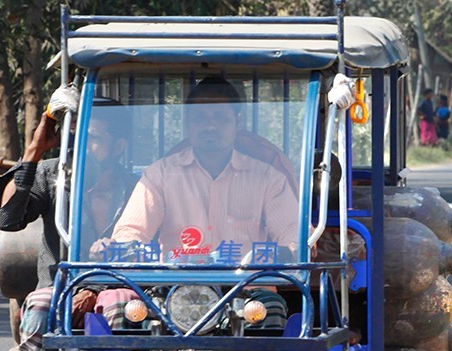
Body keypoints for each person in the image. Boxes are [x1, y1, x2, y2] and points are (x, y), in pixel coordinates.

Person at [0, 87, 138, 351]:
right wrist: (34, 150)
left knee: (127, 316)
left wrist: (98, 286)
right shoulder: (51, 175)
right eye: (79, 138)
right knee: (38, 312)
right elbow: (7, 219)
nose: (83, 148)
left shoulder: (139, 185)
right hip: (60, 287)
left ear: (119, 146)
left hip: (122, 287)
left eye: (96, 140)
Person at [94, 76, 299, 264]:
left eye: (220, 117)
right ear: (187, 123)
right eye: (200, 118)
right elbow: (132, 231)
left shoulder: (267, 178)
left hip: (249, 290)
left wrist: (292, 247)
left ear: (237, 122)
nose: (210, 126)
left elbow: (292, 232)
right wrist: (120, 246)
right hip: (175, 292)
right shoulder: (160, 175)